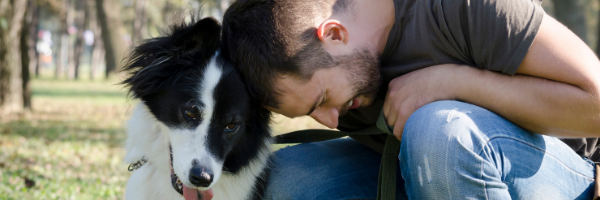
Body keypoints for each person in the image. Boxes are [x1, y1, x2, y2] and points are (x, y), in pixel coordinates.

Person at [221, 0, 600, 199]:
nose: (331, 120)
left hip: (568, 176)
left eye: (322, 98)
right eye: (312, 112)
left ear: (334, 34)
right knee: (279, 179)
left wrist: (456, 82)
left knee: (439, 134)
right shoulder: (333, 73)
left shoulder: (459, 8)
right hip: (428, 179)